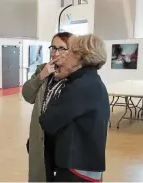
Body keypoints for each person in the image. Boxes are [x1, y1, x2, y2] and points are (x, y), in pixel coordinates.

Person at [39, 34, 110, 182]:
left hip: (76, 167)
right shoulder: (93, 81)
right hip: (88, 163)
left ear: (79, 57)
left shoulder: (79, 86)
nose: (65, 56)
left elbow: (48, 121)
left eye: (70, 52)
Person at [22, 32, 73, 182]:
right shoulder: (43, 70)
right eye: (53, 48)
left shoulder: (75, 75)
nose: (56, 53)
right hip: (41, 136)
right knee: (42, 174)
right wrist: (41, 76)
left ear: (71, 51)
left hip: (63, 139)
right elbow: (27, 95)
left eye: (62, 48)